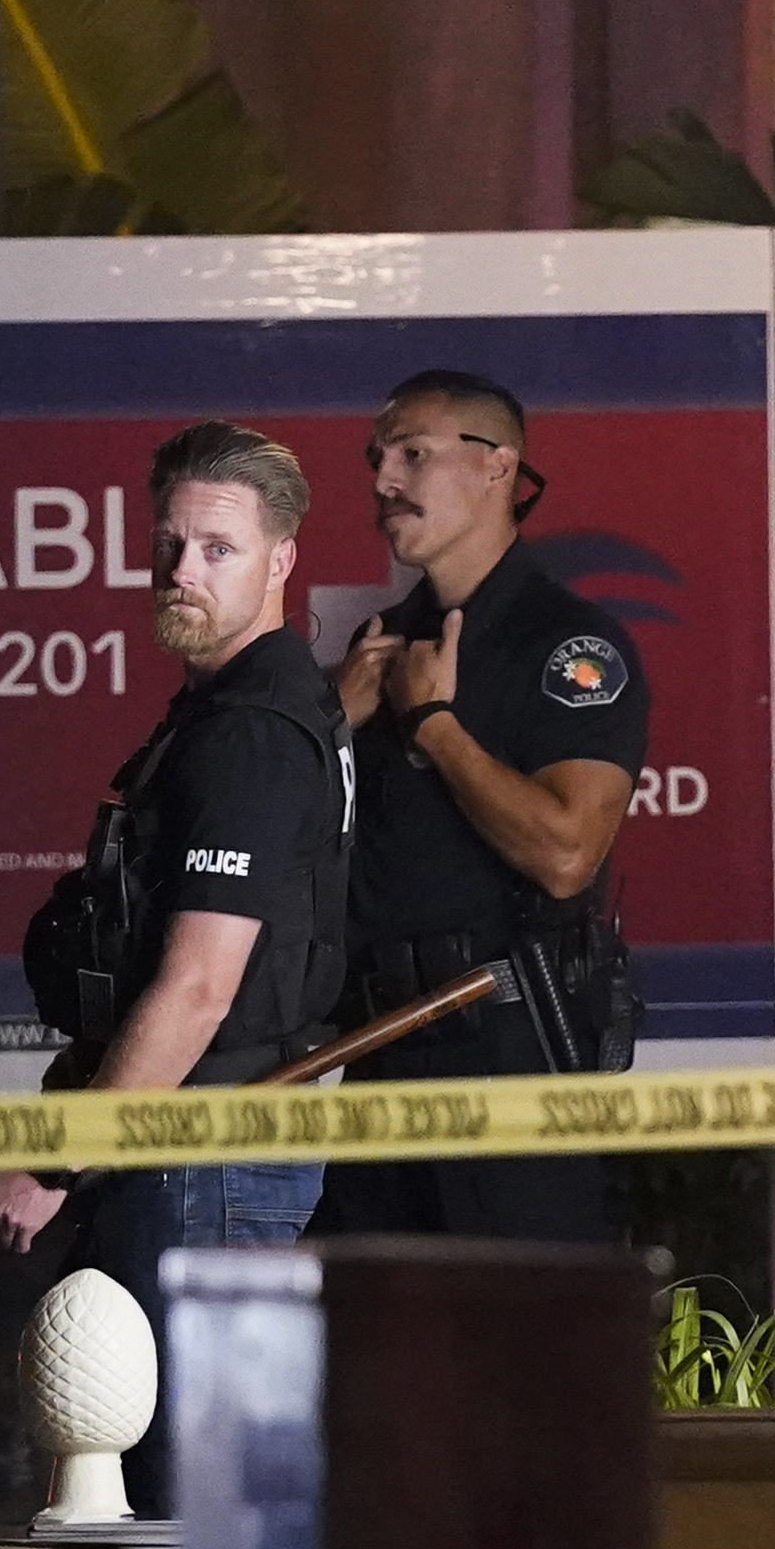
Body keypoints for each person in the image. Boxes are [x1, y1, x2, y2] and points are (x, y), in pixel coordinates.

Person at [0, 420, 353, 1512]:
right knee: (159, 1489)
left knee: (195, 1507)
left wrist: (57, 1161)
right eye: (170, 544)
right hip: (193, 1146)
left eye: (218, 548)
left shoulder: (249, 732)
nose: (183, 570)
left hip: (206, 1152)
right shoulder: (230, 709)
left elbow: (197, 984)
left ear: (282, 558)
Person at [307, 368, 645, 1243]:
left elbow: (569, 853)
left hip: (503, 1052)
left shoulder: (569, 643)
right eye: (377, 458)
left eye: (413, 454)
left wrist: (435, 726)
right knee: (365, 1361)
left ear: (499, 468)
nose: (383, 480)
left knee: (509, 1359)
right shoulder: (376, 647)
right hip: (375, 1048)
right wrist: (327, 728)